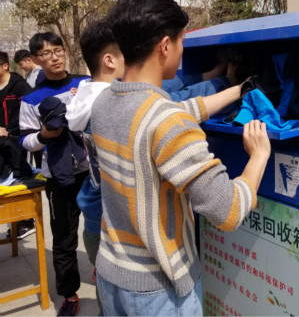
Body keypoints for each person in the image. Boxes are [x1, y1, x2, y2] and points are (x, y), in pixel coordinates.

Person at [91, 0, 271, 316]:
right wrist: (258, 156)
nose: (182, 49)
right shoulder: (167, 122)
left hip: (111, 275)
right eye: (181, 41)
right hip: (159, 291)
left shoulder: (104, 102)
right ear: (165, 45)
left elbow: (175, 112)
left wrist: (238, 89)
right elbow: (227, 211)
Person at [66, 18, 236, 316]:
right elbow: (226, 209)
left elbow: (171, 101)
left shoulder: (97, 101)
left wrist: (223, 80)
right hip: (153, 276)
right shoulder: (138, 110)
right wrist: (258, 155)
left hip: (109, 250)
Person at [19, 32, 90, 316]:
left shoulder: (85, 84)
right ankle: (69, 295)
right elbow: (25, 141)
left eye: (58, 50)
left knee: (104, 228)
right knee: (63, 238)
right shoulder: (31, 98)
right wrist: (45, 135)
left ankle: (104, 273)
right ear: (36, 59)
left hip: (93, 171)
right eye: (46, 53)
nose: (55, 57)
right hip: (59, 178)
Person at [0, 51, 36, 240]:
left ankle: (25, 222)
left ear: (5, 66)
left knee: (19, 179)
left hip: (17, 141)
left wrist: (13, 132)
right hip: (1, 142)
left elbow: (32, 112)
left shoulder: (20, 86)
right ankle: (15, 221)